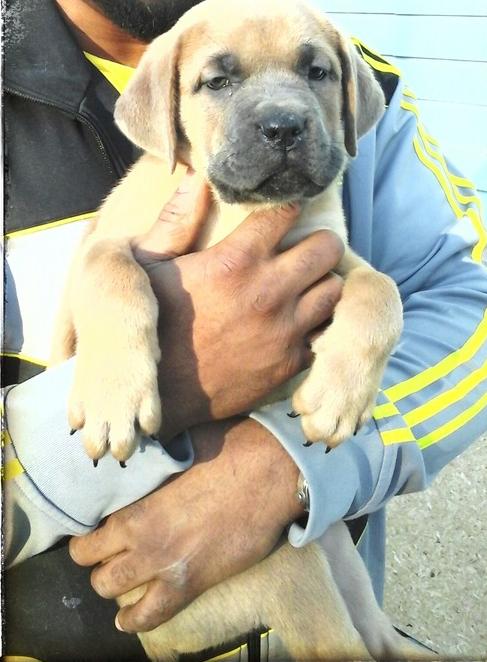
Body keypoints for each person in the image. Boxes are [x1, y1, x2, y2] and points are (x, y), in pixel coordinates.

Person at [3, 0, 487, 660]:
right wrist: (148, 393)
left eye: (310, 73)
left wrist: (281, 465)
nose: (282, 115)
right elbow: (104, 269)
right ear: (167, 109)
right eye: (219, 81)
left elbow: (469, 298)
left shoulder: (356, 83)